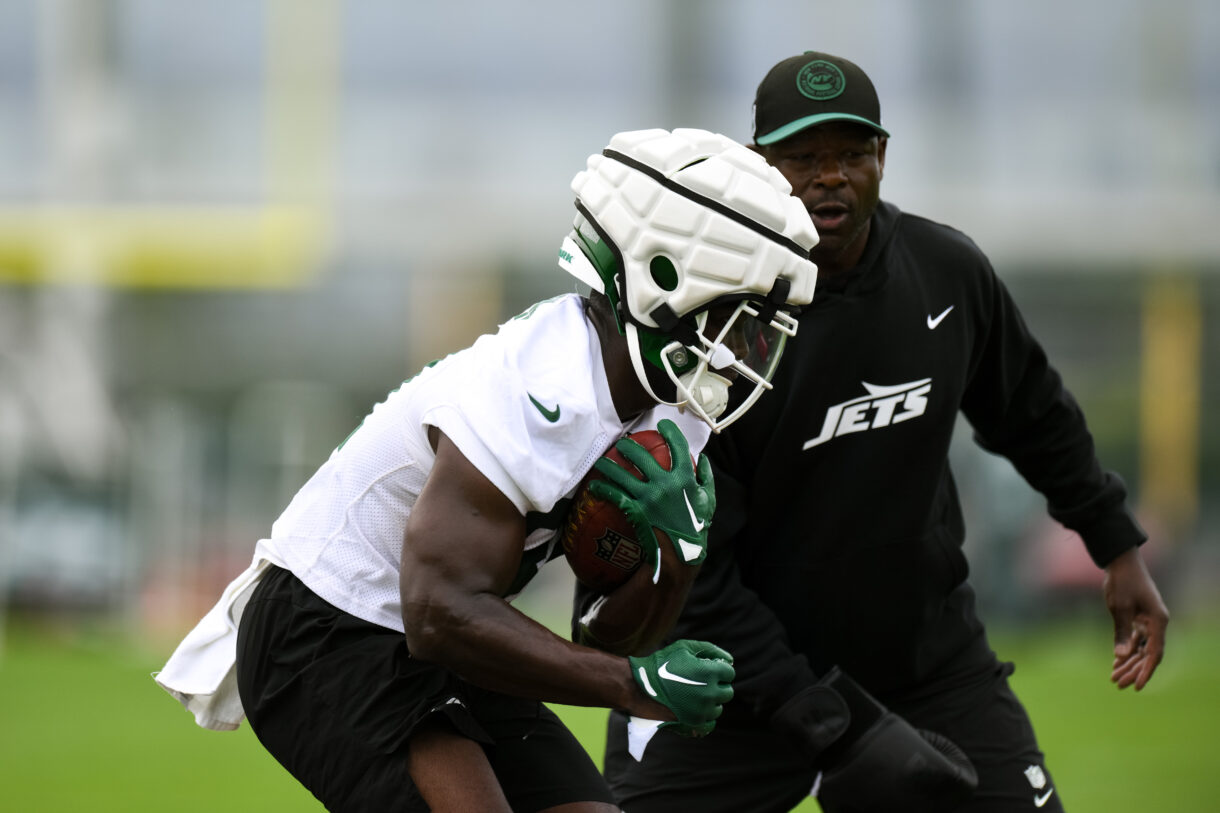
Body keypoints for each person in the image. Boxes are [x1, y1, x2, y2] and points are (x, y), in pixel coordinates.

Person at [153, 127, 819, 813]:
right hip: (329, 624)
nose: (750, 347)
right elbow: (438, 610)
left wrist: (673, 559)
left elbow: (604, 634)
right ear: (666, 279)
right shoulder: (544, 382)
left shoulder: (673, 407)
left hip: (442, 631)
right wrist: (634, 684)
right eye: (741, 317)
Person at [589, 52, 1170, 813]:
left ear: (883, 157)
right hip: (732, 683)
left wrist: (1116, 547)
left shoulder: (947, 272)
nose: (831, 176)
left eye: (852, 154)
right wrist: (834, 728)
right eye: (803, 157)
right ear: (760, 165)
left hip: (924, 665)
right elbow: (696, 571)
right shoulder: (709, 321)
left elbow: (1034, 413)